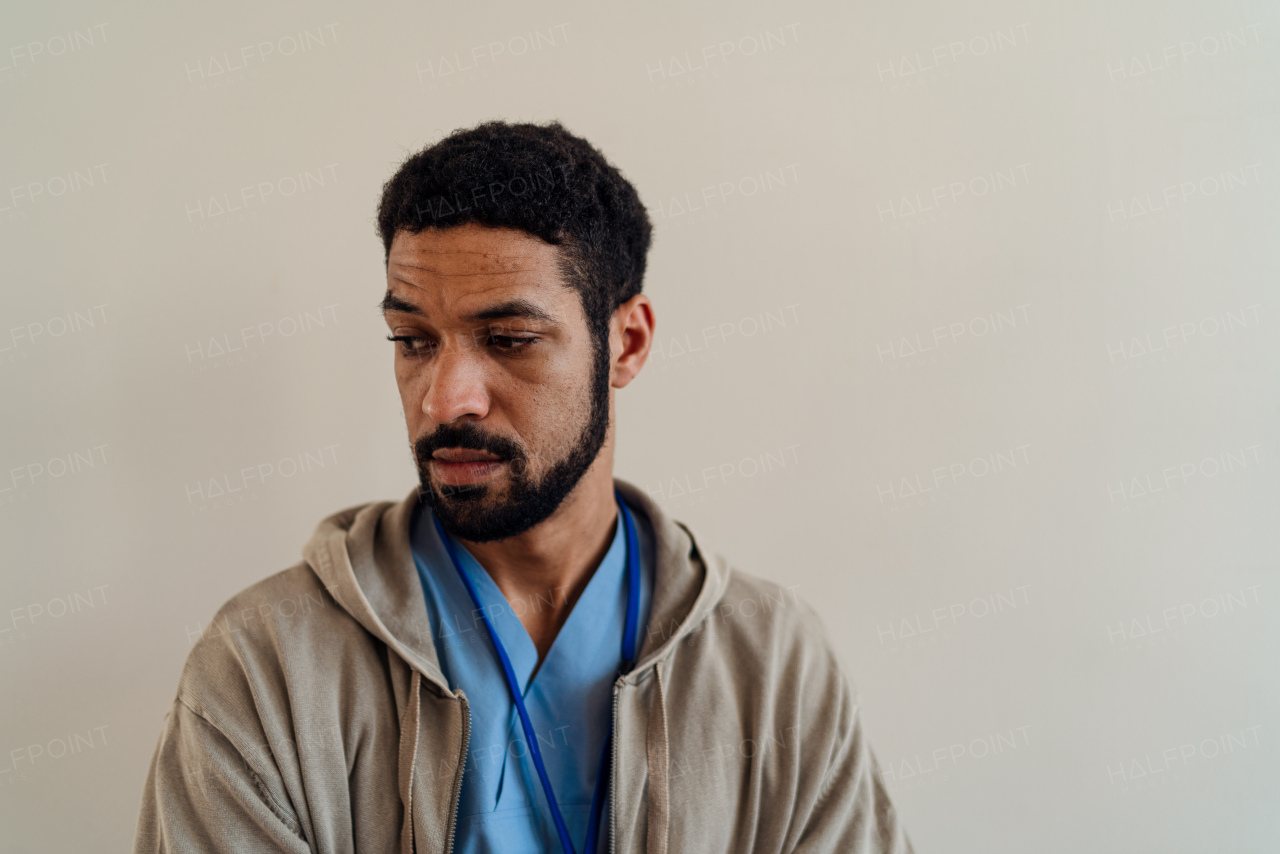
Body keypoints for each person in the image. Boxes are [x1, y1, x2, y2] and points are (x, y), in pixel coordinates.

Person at [133, 120, 913, 854]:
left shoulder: (774, 665)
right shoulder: (264, 667)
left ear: (626, 343)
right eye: (412, 341)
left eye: (509, 341)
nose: (445, 399)